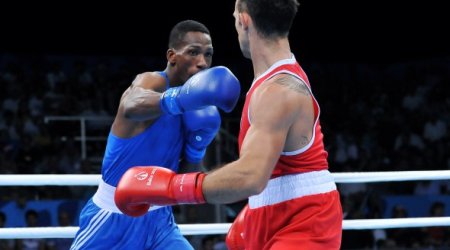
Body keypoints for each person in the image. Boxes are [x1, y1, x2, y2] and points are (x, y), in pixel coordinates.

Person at [114, 0, 342, 249]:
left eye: (234, 18)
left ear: (244, 20)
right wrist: (257, 209)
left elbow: (250, 177)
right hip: (279, 214)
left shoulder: (279, 90)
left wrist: (172, 187)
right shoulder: (270, 82)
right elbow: (277, 172)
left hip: (304, 223)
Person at [70, 20, 240, 250]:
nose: (202, 62)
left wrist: (196, 147)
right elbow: (130, 104)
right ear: (172, 56)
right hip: (113, 219)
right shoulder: (154, 82)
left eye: (208, 55)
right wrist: (177, 99)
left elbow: (185, 180)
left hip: (161, 222)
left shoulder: (197, 111)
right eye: (193, 52)